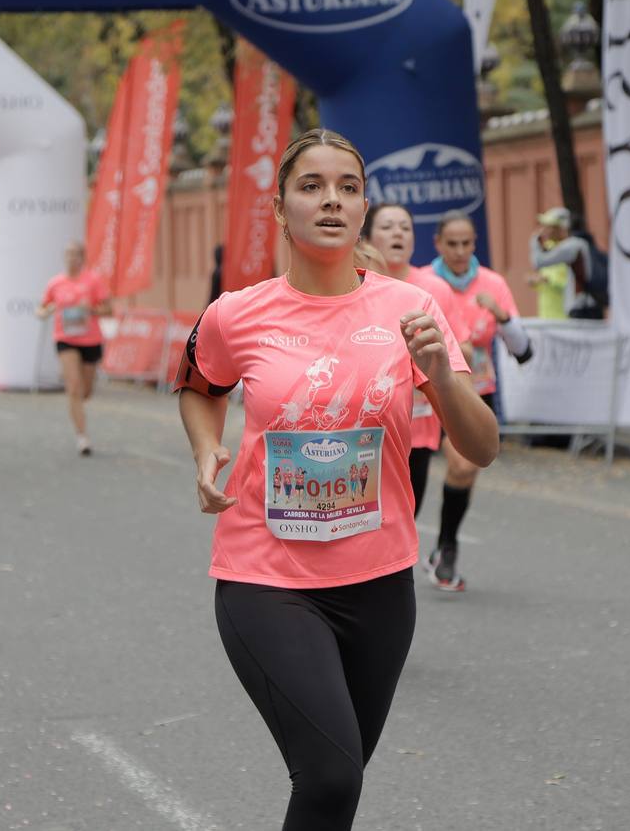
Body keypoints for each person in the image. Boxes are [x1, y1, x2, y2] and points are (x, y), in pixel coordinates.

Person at [175, 128, 498, 830]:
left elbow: (483, 444)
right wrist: (206, 449)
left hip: (380, 583)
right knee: (327, 776)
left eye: (348, 188)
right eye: (312, 186)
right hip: (267, 579)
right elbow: (200, 383)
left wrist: (441, 374)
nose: (332, 202)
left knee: (337, 784)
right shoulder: (238, 313)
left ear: (363, 208)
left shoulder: (409, 312)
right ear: (280, 206)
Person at [421, 209, 529, 592]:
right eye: (452, 243)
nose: (460, 251)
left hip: (473, 390)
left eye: (467, 243)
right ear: (437, 244)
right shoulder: (424, 284)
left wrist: (501, 315)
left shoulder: (493, 284)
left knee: (464, 468)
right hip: (424, 391)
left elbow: (523, 350)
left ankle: (446, 546)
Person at [362, 202, 480, 517]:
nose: (397, 233)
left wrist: (434, 351)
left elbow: (464, 352)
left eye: (405, 227)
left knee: (404, 519)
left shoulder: (432, 290)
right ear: (368, 236)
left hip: (419, 422)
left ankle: (442, 548)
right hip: (366, 423)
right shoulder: (352, 286)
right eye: (387, 227)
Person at [37, 241, 113, 456]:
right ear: (64, 258)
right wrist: (44, 312)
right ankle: (82, 437)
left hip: (90, 340)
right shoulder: (55, 284)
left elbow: (109, 309)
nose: (72, 259)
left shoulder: (93, 281)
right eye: (69, 255)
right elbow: (41, 308)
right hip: (65, 339)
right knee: (73, 386)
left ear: (82, 258)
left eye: (76, 255)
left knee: (85, 391)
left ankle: (79, 402)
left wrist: (92, 309)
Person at [530, 206, 604, 319]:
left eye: (550, 227)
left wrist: (535, 240)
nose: (545, 231)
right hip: (588, 307)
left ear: (561, 228)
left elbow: (538, 261)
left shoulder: (571, 246)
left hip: (582, 309)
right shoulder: (581, 243)